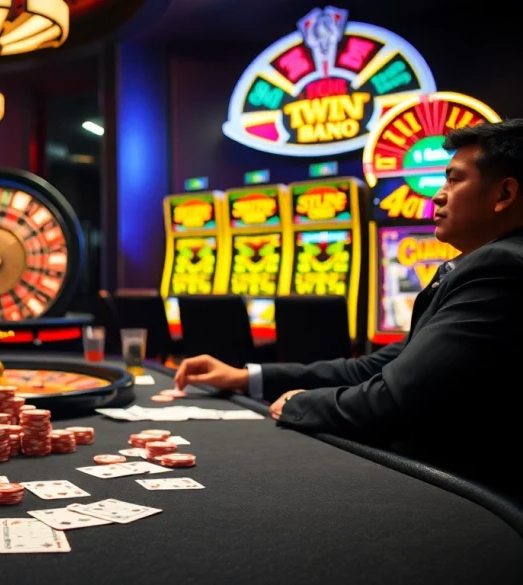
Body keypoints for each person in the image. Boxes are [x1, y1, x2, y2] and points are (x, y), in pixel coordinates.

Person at [174, 119, 523, 495]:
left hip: (474, 504)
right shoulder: (487, 264)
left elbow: (393, 402)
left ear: (504, 194)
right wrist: (244, 377)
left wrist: (300, 404)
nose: (439, 195)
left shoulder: (499, 268)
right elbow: (374, 366)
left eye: (454, 180)